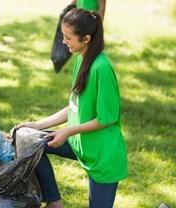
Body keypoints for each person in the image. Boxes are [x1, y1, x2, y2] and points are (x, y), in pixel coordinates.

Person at [18, 8, 127, 208]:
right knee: (32, 143)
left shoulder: (101, 68)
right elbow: (74, 107)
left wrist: (68, 130)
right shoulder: (81, 58)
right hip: (80, 144)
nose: (63, 42)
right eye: (63, 36)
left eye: (68, 38)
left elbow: (106, 118)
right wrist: (37, 124)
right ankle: (54, 202)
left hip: (103, 156)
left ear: (86, 39)